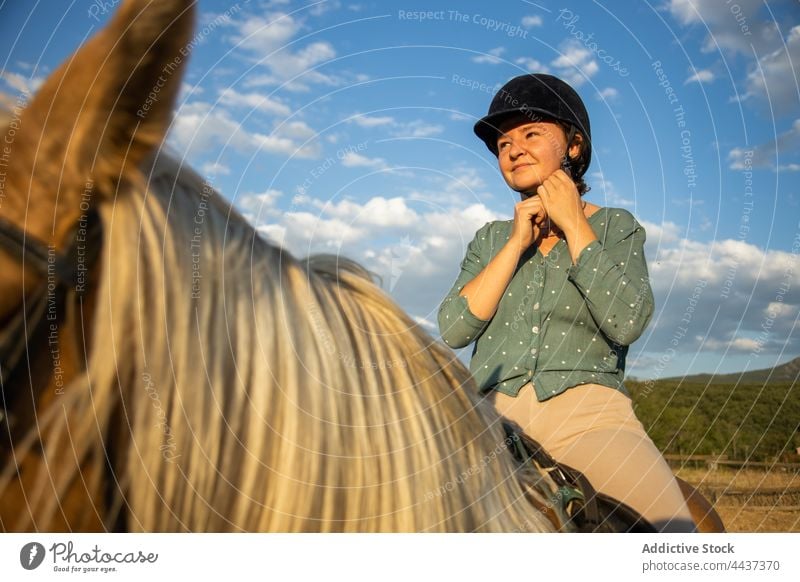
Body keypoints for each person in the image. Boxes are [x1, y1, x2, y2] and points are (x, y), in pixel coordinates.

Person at [438, 73, 695, 532]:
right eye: (502, 144)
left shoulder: (617, 227)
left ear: (574, 146)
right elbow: (454, 329)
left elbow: (628, 321)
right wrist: (515, 245)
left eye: (530, 134)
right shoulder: (490, 239)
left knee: (673, 534)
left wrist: (575, 224)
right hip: (487, 424)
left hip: (592, 419)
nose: (512, 150)